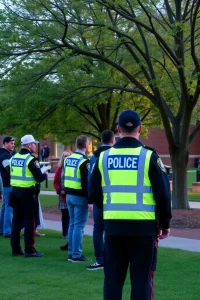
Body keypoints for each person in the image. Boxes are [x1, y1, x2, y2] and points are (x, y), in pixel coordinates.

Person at [90, 110, 172, 300]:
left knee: (112, 281)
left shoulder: (103, 157)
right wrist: (165, 223)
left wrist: (111, 206)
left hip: (113, 228)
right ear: (140, 129)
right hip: (143, 228)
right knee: (141, 281)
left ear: (117, 129)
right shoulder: (149, 156)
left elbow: (93, 192)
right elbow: (163, 194)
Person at [10, 134, 47, 257]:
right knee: (30, 221)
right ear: (29, 145)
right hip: (27, 193)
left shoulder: (14, 157)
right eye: (34, 144)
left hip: (14, 191)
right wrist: (45, 173)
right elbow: (39, 177)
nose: (36, 146)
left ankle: (15, 249)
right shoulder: (30, 159)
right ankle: (29, 249)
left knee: (16, 221)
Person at [86, 130, 115, 271]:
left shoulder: (95, 156)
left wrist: (92, 200)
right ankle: (114, 259)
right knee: (112, 229)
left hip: (99, 198)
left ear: (101, 140)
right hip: (114, 199)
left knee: (98, 229)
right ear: (113, 140)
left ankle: (100, 259)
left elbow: (91, 180)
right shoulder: (115, 154)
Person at [64, 135, 91, 263]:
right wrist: (90, 200)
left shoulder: (68, 159)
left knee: (72, 224)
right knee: (79, 226)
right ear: (86, 146)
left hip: (69, 195)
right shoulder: (84, 161)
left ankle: (71, 252)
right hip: (80, 196)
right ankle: (76, 254)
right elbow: (86, 183)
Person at [53, 150, 72, 250]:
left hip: (71, 194)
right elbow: (55, 182)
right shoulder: (60, 169)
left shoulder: (73, 168)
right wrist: (59, 190)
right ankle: (64, 233)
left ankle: (70, 234)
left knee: (71, 215)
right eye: (65, 156)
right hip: (62, 195)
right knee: (65, 215)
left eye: (68, 156)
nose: (66, 158)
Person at [0, 136, 15, 238]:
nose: (13, 145)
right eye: (11, 143)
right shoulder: (5, 155)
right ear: (5, 143)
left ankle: (2, 229)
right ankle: (7, 230)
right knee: (9, 207)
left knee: (5, 207)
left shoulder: (2, 154)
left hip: (4, 183)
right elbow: (9, 169)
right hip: (7, 183)